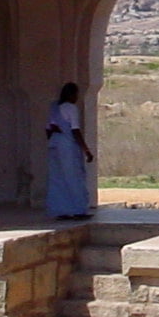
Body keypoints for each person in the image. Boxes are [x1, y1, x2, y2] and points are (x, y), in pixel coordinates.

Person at [45, 81, 94, 220]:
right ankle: (78, 210)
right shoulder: (71, 108)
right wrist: (86, 150)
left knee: (58, 178)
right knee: (74, 177)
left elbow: (49, 129)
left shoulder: (54, 107)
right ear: (72, 94)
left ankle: (60, 210)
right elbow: (75, 130)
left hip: (54, 145)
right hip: (67, 146)